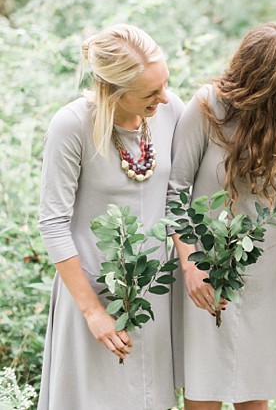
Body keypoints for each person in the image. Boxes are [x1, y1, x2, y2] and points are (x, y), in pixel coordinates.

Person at [167, 21, 276, 410]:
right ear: (273, 80)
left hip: (270, 273)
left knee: (256, 391)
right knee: (204, 390)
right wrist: (190, 265)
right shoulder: (206, 107)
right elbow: (175, 192)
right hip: (204, 269)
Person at [37, 24, 183, 409]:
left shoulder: (171, 114)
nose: (164, 98)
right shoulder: (71, 126)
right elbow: (52, 223)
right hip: (89, 292)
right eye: (150, 93)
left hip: (152, 292)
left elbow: (178, 196)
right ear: (114, 91)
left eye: (165, 83)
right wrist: (93, 312)